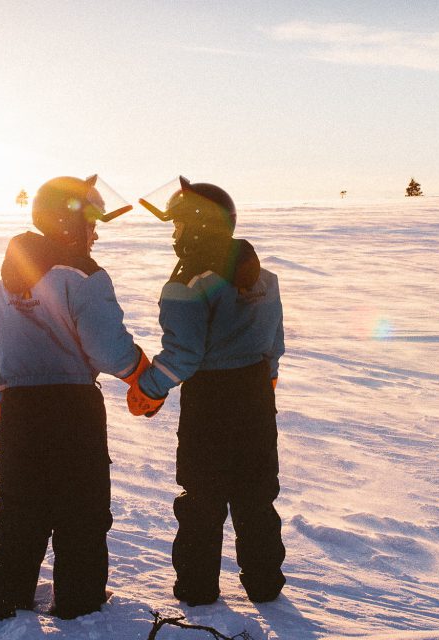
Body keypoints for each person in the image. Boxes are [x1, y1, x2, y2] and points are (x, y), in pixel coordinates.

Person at [0, 175, 150, 620]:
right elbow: (108, 349)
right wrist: (141, 373)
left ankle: (2, 599)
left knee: (20, 507)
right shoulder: (82, 275)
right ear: (68, 223)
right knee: (82, 511)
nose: (95, 233)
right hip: (72, 409)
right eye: (91, 223)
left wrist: (4, 403)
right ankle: (79, 606)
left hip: (18, 411)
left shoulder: (1, 288)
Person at [126, 178, 286, 606]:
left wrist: (148, 388)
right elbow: (275, 344)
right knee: (256, 494)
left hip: (210, 403)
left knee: (202, 497)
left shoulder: (187, 283)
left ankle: (197, 590)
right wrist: (263, 381)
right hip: (255, 397)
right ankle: (265, 584)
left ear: (196, 229)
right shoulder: (265, 279)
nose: (174, 236)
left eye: (177, 226)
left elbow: (183, 354)